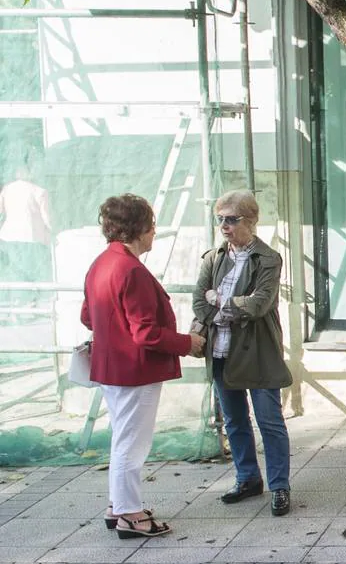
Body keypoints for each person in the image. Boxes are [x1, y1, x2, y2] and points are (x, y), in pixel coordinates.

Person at [81, 194, 206, 538]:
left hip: (111, 369)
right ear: (138, 229)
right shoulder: (132, 269)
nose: (154, 232)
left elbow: (87, 316)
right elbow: (147, 333)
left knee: (123, 439)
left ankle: (118, 506)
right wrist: (188, 343)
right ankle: (130, 516)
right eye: (152, 225)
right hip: (135, 371)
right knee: (132, 445)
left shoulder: (101, 263)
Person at [192, 189, 294, 516]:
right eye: (220, 219)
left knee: (270, 420)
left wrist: (219, 300)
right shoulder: (213, 257)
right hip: (222, 351)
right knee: (234, 421)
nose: (224, 226)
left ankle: (279, 486)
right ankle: (248, 477)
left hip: (259, 351)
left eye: (232, 219)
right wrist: (225, 306)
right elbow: (198, 301)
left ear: (250, 221)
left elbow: (259, 304)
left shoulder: (268, 258)